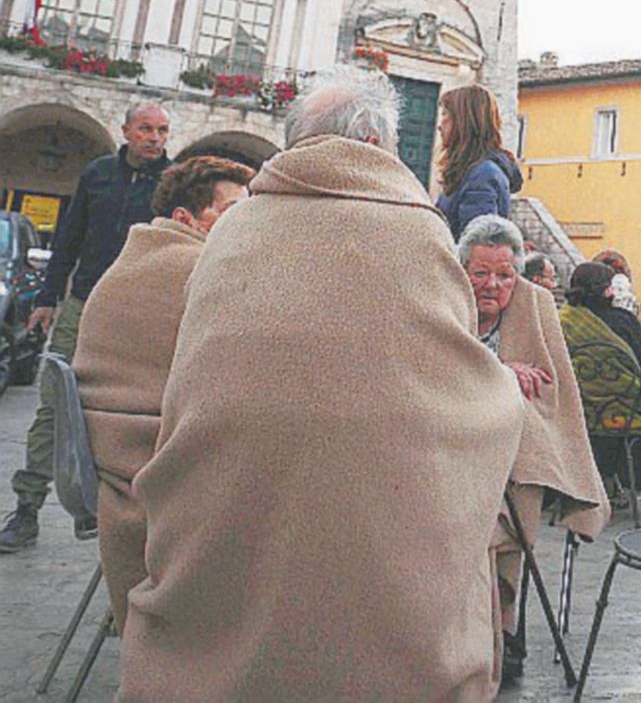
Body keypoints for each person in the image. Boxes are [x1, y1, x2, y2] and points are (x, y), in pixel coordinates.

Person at [115, 68, 527, 702]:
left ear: (296, 141)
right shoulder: (420, 234)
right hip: (374, 557)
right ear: (383, 148)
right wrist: (505, 391)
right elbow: (459, 386)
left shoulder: (230, 230)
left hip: (217, 533)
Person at [73, 155, 253, 629]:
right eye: (232, 211)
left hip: (106, 460)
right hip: (139, 472)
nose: (245, 223)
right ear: (184, 218)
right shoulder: (189, 267)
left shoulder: (143, 256)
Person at [0, 101, 171, 553]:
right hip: (83, 305)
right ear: (127, 131)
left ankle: (111, 517)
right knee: (54, 407)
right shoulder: (97, 174)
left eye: (163, 130)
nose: (155, 138)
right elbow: (69, 240)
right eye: (147, 129)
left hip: (138, 310)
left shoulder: (174, 184)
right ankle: (27, 509)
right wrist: (47, 299)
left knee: (132, 414)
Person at [458, 216, 608, 684]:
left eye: (504, 275)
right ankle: (467, 630)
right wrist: (500, 371)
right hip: (453, 442)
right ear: (462, 271)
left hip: (513, 446)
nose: (492, 285)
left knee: (520, 486)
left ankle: (505, 626)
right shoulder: (444, 302)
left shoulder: (536, 305)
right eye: (480, 273)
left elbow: (549, 387)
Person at [560, 263, 641, 515]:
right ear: (609, 291)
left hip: (577, 414)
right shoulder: (625, 322)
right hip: (624, 416)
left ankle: (598, 482)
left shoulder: (562, 322)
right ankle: (620, 482)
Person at [435, 84, 523, 241]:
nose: (439, 126)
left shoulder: (482, 176)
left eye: (445, 114)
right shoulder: (471, 172)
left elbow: (476, 246)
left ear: (463, 121)